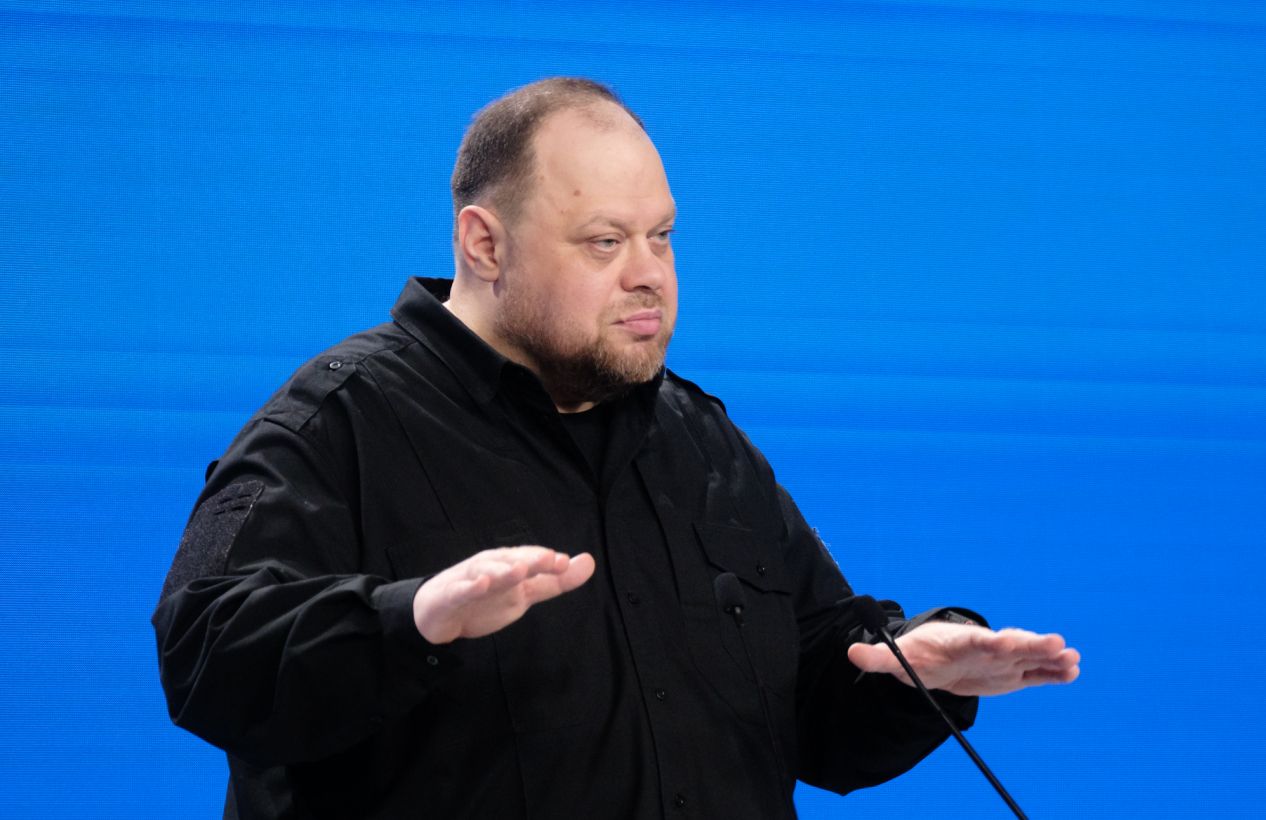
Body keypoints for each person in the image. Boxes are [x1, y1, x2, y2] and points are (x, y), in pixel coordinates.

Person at [153, 77, 1080, 819]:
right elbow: (204, 651)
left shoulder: (702, 441)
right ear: (484, 244)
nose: (649, 275)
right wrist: (411, 620)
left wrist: (912, 672)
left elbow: (813, 708)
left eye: (661, 237)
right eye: (604, 242)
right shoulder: (336, 422)